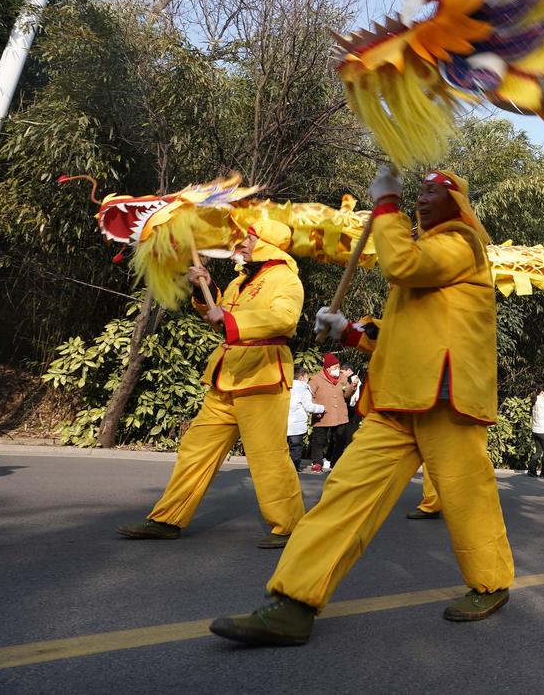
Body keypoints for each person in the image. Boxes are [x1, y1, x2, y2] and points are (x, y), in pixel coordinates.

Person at [210, 167, 515, 645]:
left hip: (444, 399)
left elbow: (403, 267)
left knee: (466, 496)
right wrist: (350, 331)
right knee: (344, 495)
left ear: (458, 202)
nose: (422, 199)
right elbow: (401, 335)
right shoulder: (425, 253)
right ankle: (293, 602)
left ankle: (491, 582)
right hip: (396, 399)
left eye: (432, 191)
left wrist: (386, 203)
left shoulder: (460, 243)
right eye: (417, 192)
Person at [118, 220, 305, 549]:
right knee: (195, 449)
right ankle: (167, 519)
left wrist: (230, 320)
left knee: (267, 455)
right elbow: (219, 312)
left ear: (268, 244)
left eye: (250, 238)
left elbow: (284, 320)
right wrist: (203, 289)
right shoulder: (240, 281)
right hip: (226, 376)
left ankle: (289, 526)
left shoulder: (286, 279)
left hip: (261, 377)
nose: (242, 244)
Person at [306, 353, 353, 473]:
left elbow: (346, 395)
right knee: (319, 440)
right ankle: (317, 462)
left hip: (340, 414)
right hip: (322, 414)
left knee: (340, 439)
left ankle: (335, 462)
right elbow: (309, 395)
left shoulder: (342, 378)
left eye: (338, 367)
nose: (338, 370)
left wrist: (352, 387)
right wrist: (315, 408)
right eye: (335, 367)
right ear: (327, 368)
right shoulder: (316, 378)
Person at [288, 368, 325, 471]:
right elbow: (308, 407)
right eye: (306, 377)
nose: (307, 379)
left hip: (283, 423)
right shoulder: (303, 388)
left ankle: (283, 467)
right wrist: (321, 408)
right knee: (296, 447)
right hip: (296, 425)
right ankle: (294, 468)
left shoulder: (286, 386)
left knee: (284, 448)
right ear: (301, 377)